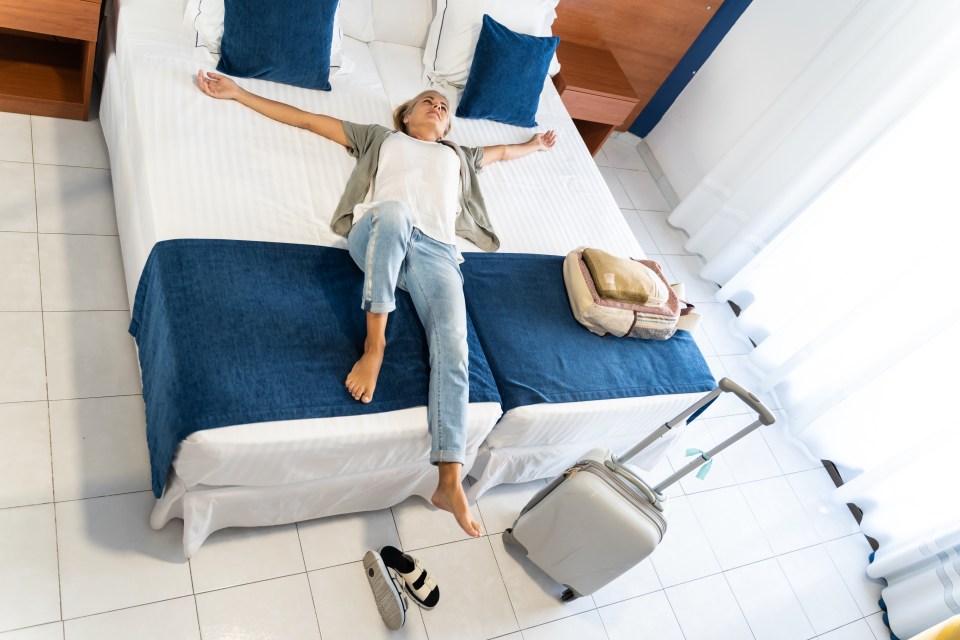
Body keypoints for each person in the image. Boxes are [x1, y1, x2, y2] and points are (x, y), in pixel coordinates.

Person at [196, 70, 556, 537]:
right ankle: (375, 347)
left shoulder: (459, 157)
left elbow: (503, 152)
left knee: (454, 342)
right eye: (427, 101)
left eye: (443, 107)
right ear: (406, 117)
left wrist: (535, 145)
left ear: (447, 129)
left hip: (438, 251)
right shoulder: (380, 139)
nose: (437, 106)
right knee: (395, 211)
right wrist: (239, 92)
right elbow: (308, 120)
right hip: (379, 232)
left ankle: (448, 477)